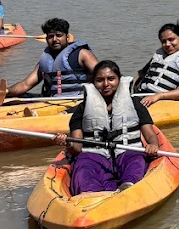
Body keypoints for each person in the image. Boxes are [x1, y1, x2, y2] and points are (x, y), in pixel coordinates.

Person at [55, 60, 161, 195]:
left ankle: (128, 188)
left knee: (136, 161)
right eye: (100, 80)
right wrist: (68, 143)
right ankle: (90, 195)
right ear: (93, 82)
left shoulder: (135, 104)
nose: (106, 84)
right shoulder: (81, 110)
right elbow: (77, 147)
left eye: (111, 79)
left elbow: (150, 134)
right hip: (94, 156)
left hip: (127, 152)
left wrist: (153, 145)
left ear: (119, 80)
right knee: (83, 167)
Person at [0, 18, 97, 99]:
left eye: (59, 35)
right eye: (50, 36)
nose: (54, 40)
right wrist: (5, 92)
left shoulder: (82, 54)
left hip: (77, 101)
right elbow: (25, 84)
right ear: (46, 39)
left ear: (67, 37)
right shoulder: (44, 61)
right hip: (51, 100)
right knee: (15, 98)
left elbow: (103, 76)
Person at [132, 22, 179, 106]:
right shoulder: (159, 56)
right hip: (142, 95)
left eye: (171, 39)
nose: (167, 44)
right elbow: (140, 76)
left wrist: (159, 96)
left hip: (162, 99)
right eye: (164, 41)